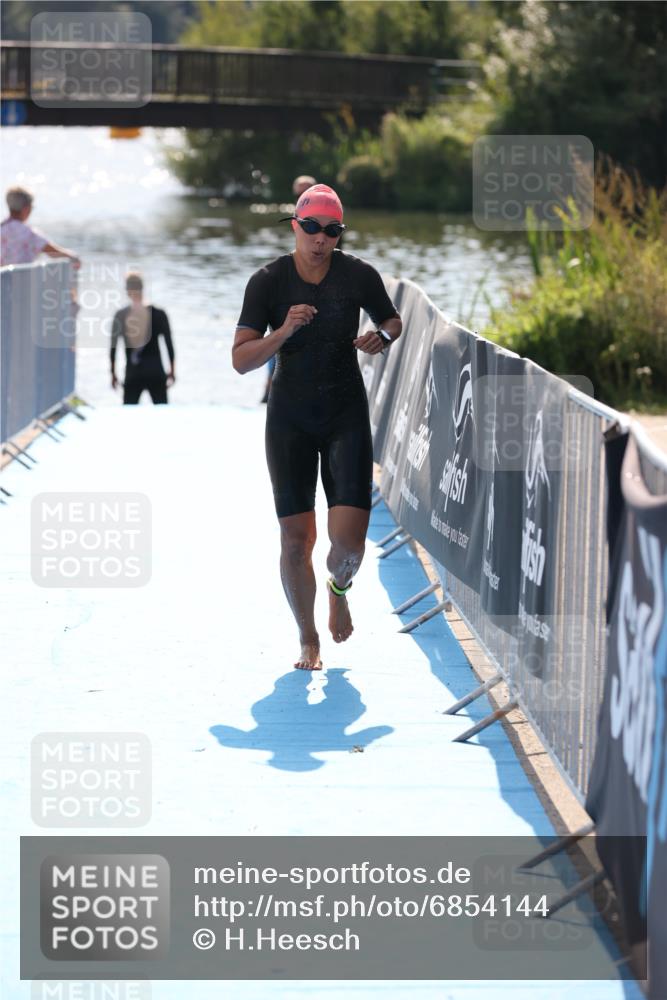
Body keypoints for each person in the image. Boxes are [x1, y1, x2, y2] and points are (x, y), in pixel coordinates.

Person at [233, 183, 402, 671]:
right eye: (311, 227)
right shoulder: (267, 282)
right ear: (295, 226)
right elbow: (241, 360)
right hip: (290, 418)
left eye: (332, 230)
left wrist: (381, 337)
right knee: (295, 540)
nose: (320, 238)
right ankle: (308, 637)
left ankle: (339, 588)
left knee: (348, 546)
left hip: (345, 414)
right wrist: (284, 331)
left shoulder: (358, 275)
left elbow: (393, 321)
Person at [260, 174, 318, 405]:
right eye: (298, 194)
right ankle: (269, 389)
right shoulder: (292, 218)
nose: (301, 198)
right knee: (276, 333)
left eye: (306, 193)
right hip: (288, 288)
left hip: (312, 292)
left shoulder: (325, 224)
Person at [110, 272, 176, 405]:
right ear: (142, 287)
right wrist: (172, 371)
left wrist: (113, 374)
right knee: (162, 413)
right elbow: (169, 345)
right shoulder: (159, 314)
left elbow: (113, 348)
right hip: (155, 371)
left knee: (128, 413)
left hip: (133, 372)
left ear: (128, 290)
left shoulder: (121, 315)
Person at [0, 186, 81, 268]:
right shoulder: (27, 233)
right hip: (22, 275)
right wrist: (74, 258)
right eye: (31, 207)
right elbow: (54, 252)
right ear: (26, 209)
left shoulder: (2, 227)